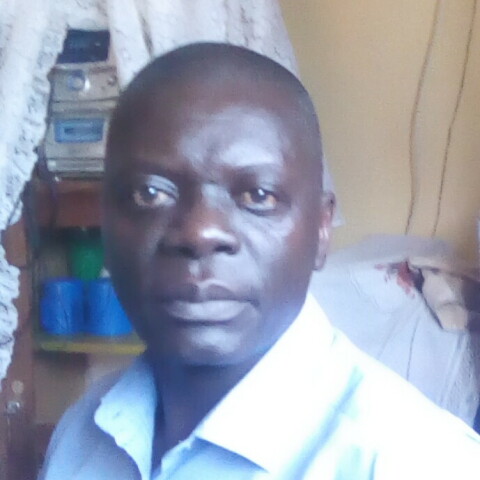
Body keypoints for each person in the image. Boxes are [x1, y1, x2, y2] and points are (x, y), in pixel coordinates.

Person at [39, 43, 480, 480]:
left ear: (321, 229)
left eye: (259, 195)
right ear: (104, 219)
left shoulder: (418, 463)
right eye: (149, 193)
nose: (199, 233)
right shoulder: (82, 433)